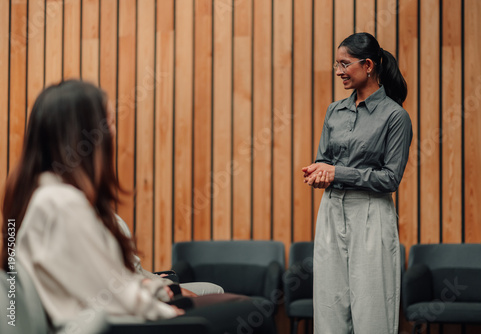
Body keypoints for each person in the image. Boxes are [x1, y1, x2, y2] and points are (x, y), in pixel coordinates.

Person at [1, 80, 275, 334]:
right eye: (107, 122)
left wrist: (155, 292)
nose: (114, 131)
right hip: (116, 327)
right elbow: (110, 296)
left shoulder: (44, 196)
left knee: (237, 304)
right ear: (81, 136)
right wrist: (164, 309)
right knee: (257, 311)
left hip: (114, 320)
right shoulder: (61, 203)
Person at [302, 32, 412, 334]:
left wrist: (337, 172)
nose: (339, 72)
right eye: (336, 64)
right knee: (329, 306)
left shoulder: (395, 116)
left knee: (372, 307)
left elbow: (390, 179)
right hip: (330, 211)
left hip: (371, 214)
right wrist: (319, 173)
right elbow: (324, 159)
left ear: (368, 65)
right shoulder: (333, 111)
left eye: (344, 64)